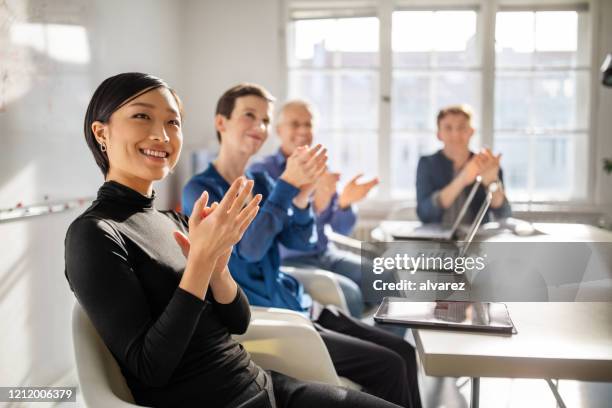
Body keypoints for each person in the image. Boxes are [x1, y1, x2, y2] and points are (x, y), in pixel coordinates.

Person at [65, 72, 401, 408]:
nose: (162, 134)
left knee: (395, 367)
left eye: (173, 122)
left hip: (265, 384)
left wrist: (218, 267)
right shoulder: (94, 233)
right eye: (142, 116)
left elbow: (238, 321)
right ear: (101, 132)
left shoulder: (176, 220)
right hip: (231, 400)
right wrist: (200, 262)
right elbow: (151, 368)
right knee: (390, 365)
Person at [182, 83, 422, 408]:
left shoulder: (264, 183)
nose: (259, 127)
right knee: (390, 365)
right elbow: (247, 252)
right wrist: (287, 187)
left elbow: (301, 239)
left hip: (300, 303)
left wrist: (304, 194)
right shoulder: (202, 189)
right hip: (273, 319)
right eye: (249, 116)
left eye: (264, 120)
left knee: (404, 352)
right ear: (221, 122)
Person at [248, 100, 378, 317]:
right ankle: (357, 348)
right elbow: (270, 230)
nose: (303, 130)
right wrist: (314, 207)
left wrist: (345, 203)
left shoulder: (319, 167)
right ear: (279, 130)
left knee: (390, 281)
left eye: (308, 125)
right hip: (289, 261)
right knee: (352, 295)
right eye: (295, 124)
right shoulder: (261, 171)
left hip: (326, 255)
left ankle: (386, 346)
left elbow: (340, 229)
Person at [416, 104, 511, 225]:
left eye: (462, 127)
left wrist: (492, 182)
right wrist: (463, 178)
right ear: (438, 134)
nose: (455, 134)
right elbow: (424, 214)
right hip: (438, 241)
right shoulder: (427, 164)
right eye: (448, 128)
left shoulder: (487, 164)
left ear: (471, 132)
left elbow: (504, 214)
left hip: (477, 240)